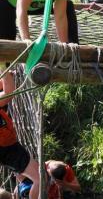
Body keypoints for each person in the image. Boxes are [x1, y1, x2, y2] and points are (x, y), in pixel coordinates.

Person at [0, 67, 40, 199]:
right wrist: (3, 68)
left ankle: (18, 191)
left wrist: (7, 75)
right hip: (8, 148)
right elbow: (9, 92)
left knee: (23, 175)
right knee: (39, 179)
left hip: (8, 147)